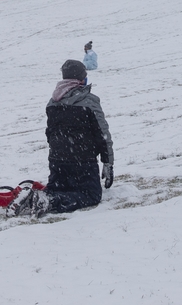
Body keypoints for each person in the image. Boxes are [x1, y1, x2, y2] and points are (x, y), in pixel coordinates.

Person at [7, 59, 114, 219]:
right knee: (91, 195)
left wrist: (60, 153)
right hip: (83, 162)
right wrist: (108, 162)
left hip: (57, 161)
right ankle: (48, 202)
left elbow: (50, 133)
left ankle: (32, 198)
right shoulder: (89, 101)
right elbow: (102, 135)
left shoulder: (52, 102)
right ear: (82, 79)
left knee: (57, 188)